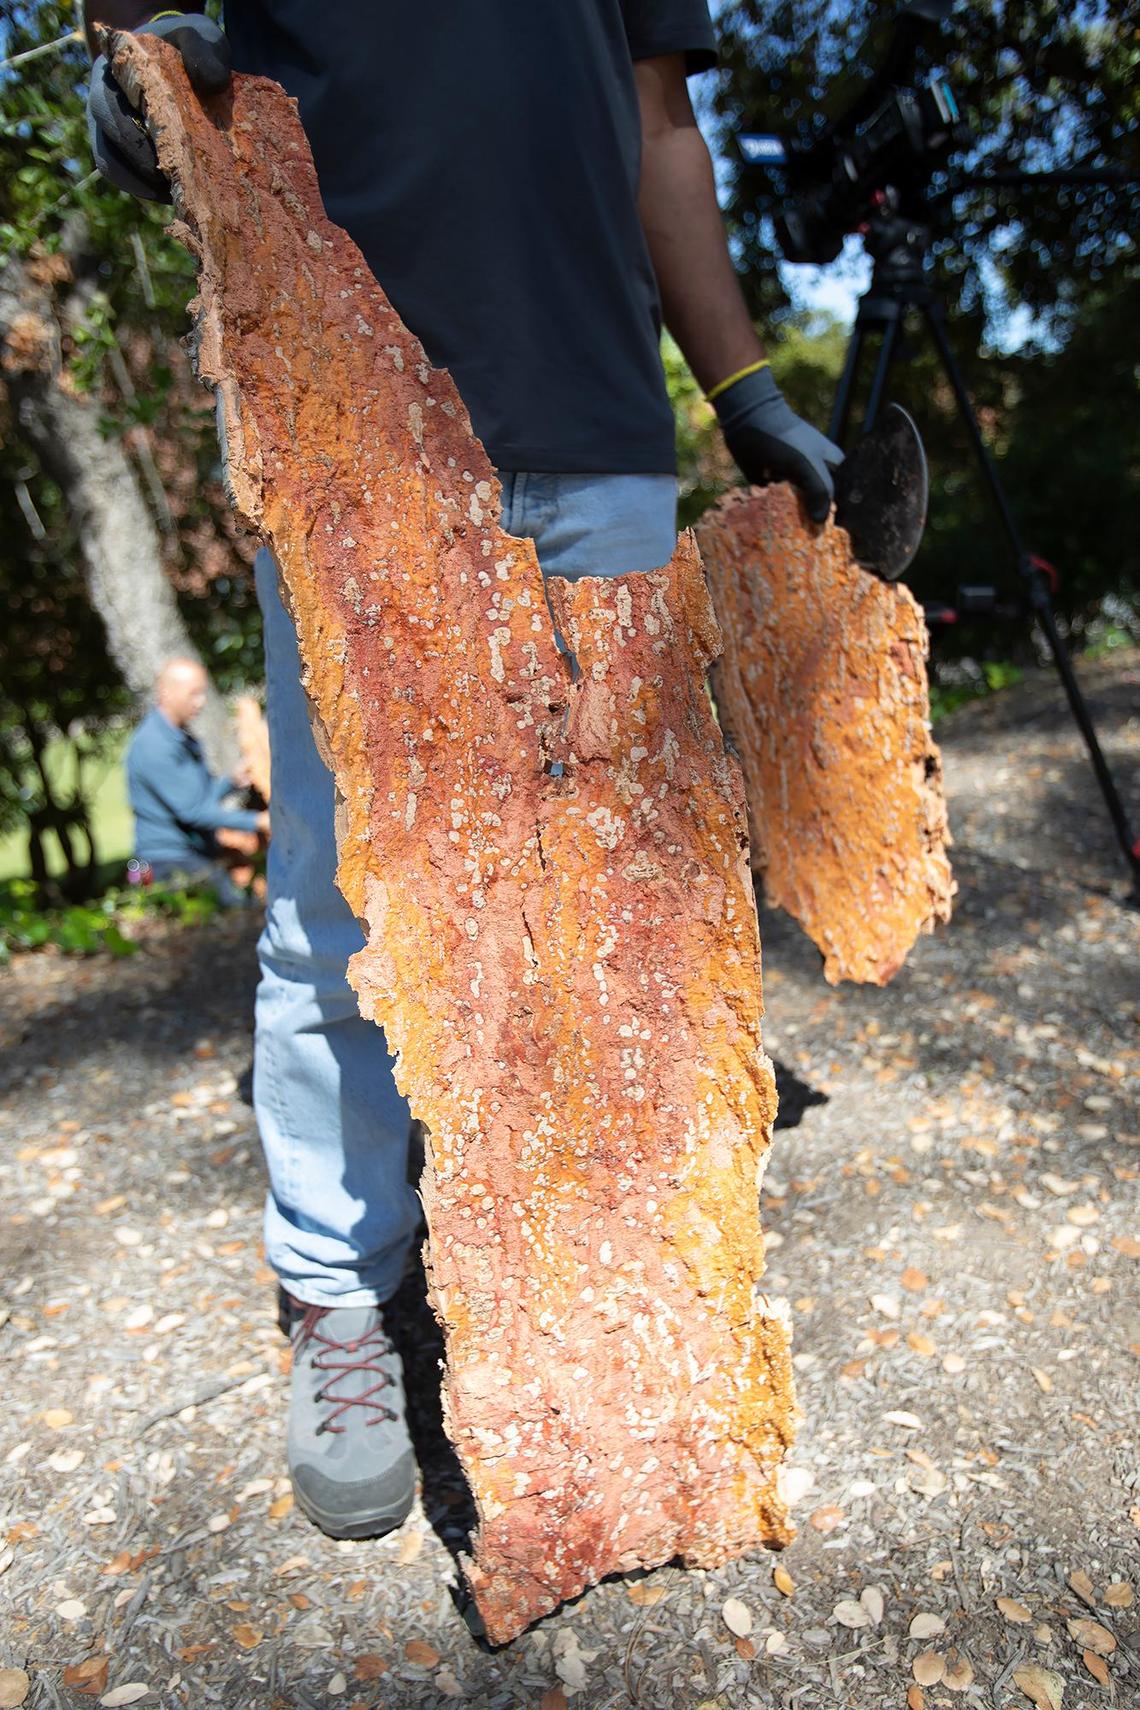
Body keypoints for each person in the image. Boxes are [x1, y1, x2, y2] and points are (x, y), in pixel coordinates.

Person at [86, 2, 844, 1543]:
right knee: (347, 896)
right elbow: (133, 26)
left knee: (634, 888)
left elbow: (659, 124)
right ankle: (339, 1291)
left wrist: (742, 387)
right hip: (346, 420)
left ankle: (613, 1274)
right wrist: (135, 84)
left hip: (601, 426)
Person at [126, 655, 267, 904]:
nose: (200, 703)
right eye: (193, 694)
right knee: (239, 909)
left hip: (191, 853)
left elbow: (197, 798)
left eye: (202, 693)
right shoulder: (154, 745)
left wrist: (231, 783)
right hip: (169, 861)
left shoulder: (177, 736)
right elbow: (194, 812)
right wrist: (259, 821)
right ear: (166, 692)